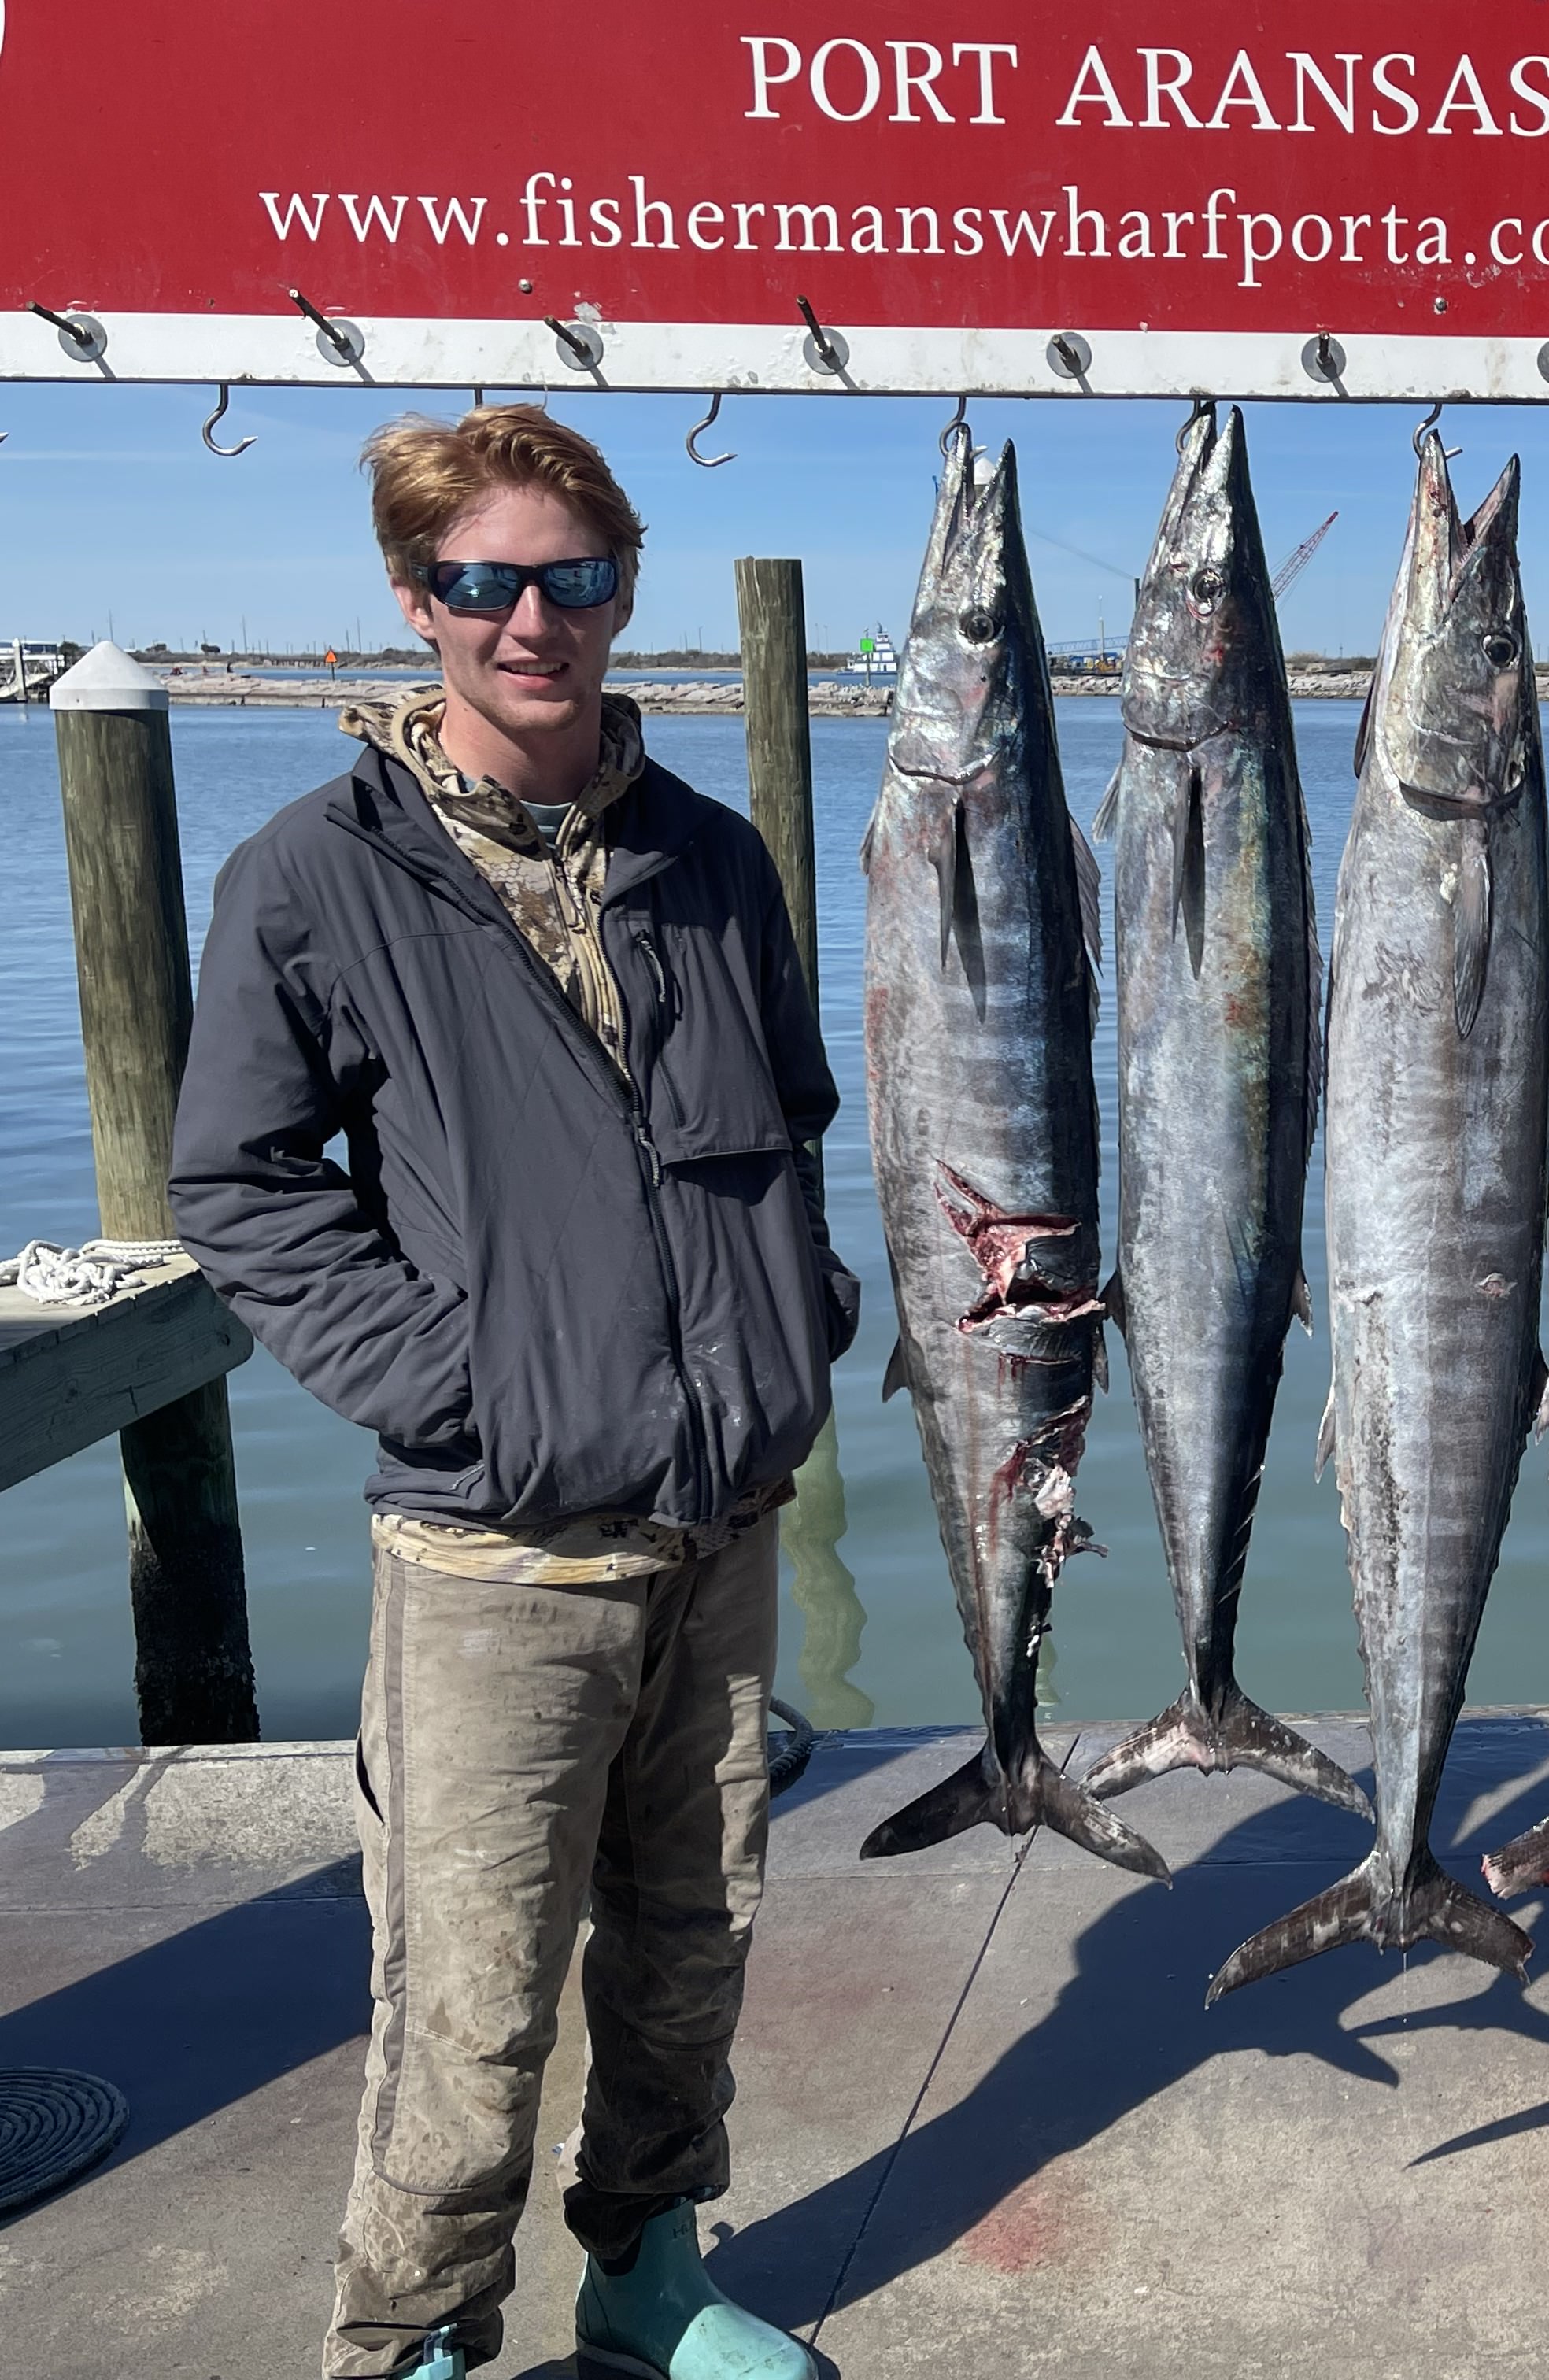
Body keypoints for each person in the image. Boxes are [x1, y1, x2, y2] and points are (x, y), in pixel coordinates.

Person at [169, 408, 856, 2380]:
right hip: (494, 1550)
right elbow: (237, 1185)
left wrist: (791, 1316)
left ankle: (648, 2270)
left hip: (718, 1522)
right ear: (418, 600)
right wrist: (451, 1388)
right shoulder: (313, 876)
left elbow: (790, 1124)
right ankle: (411, 2334)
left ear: (625, 589)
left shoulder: (713, 858)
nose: (532, 618)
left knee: (688, 1954)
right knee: (467, 1997)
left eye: (572, 576)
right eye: (484, 582)